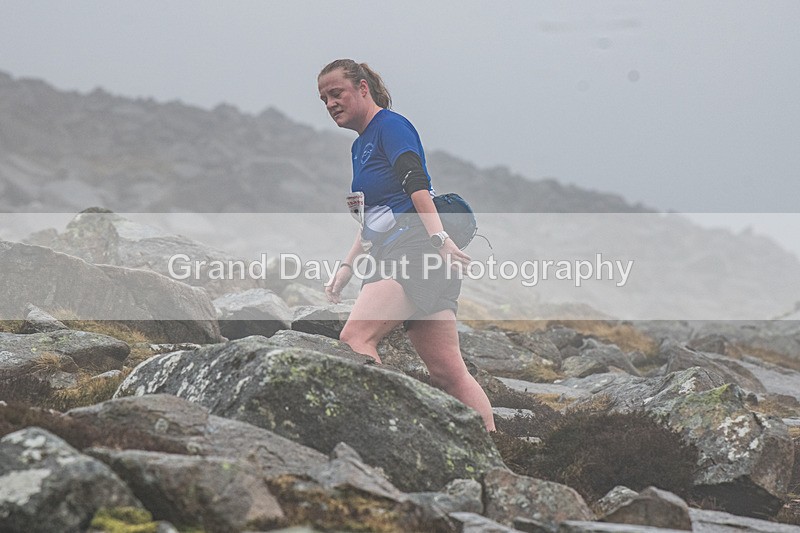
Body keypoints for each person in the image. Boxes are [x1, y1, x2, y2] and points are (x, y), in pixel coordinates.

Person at [318, 59, 495, 431]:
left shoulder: (391, 126)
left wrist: (440, 239)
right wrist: (347, 266)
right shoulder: (360, 145)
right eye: (324, 99)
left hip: (415, 249)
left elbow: (418, 184)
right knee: (449, 373)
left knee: (356, 338)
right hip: (408, 250)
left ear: (363, 88)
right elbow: (373, 216)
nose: (330, 103)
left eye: (337, 93)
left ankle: (386, 432)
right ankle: (496, 457)